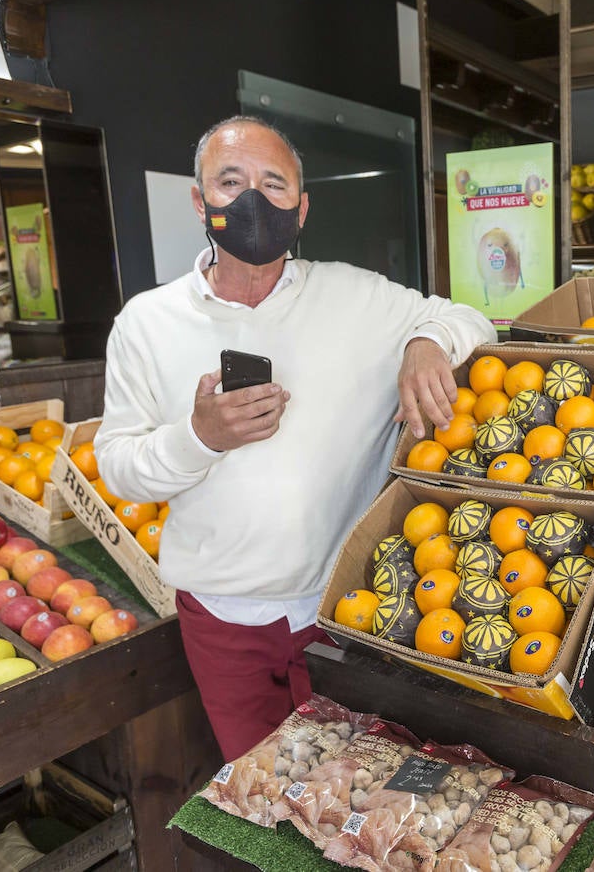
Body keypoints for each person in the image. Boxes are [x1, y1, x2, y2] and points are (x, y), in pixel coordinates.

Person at [94, 116, 496, 759]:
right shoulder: (145, 323)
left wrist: (426, 341)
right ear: (199, 201)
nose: (252, 200)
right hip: (220, 618)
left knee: (354, 788)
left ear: (301, 209)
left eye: (274, 184)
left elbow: (468, 318)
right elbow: (116, 465)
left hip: (345, 608)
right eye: (231, 182)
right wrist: (199, 437)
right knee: (257, 787)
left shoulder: (356, 296)